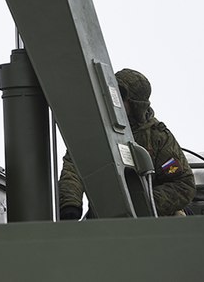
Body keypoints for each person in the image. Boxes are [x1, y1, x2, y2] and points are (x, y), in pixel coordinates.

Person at [58, 68, 196, 219]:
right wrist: (70, 204)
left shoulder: (158, 137)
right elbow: (74, 167)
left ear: (136, 105)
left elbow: (183, 184)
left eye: (121, 97)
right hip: (105, 216)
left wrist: (142, 203)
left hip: (152, 218)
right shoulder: (95, 130)